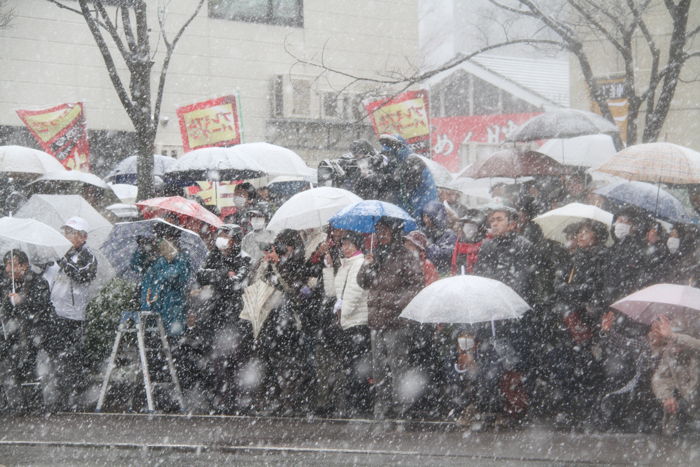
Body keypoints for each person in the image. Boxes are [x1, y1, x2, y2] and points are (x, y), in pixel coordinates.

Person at [357, 217, 424, 419]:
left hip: (396, 322)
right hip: (376, 320)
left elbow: (415, 285)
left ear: (394, 233)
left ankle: (400, 406)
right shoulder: (375, 255)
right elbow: (363, 282)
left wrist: (396, 304)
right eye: (378, 232)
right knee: (378, 366)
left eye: (384, 231)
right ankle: (381, 404)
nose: (381, 235)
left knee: (397, 365)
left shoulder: (405, 256)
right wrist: (366, 266)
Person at [191, 224, 252, 412]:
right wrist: (223, 274)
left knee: (235, 360)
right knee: (214, 360)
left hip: (235, 316)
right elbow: (201, 275)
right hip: (214, 314)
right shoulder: (213, 256)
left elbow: (236, 283)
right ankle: (217, 399)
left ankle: (236, 400)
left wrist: (220, 277)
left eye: (227, 236)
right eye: (221, 235)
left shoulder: (244, 259)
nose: (222, 239)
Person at [44, 216, 97, 410]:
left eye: (71, 233)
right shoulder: (58, 255)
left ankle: (73, 396)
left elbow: (82, 275)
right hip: (54, 312)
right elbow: (48, 278)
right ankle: (57, 395)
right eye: (65, 232)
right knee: (55, 356)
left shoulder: (87, 256)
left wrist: (63, 259)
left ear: (82, 237)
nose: (67, 236)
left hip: (73, 315)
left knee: (71, 357)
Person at [322, 231, 372, 415]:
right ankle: (353, 404)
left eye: (349, 244)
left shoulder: (360, 263)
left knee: (357, 366)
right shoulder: (345, 265)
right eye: (343, 245)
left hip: (357, 321)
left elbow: (355, 292)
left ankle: (359, 405)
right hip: (346, 322)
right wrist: (328, 268)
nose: (345, 248)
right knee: (351, 366)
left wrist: (343, 313)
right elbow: (332, 291)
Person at [0, 250, 55, 412]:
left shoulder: (38, 281)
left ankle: (35, 403)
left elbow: (40, 304)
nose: (9, 269)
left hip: (36, 331)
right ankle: (8, 401)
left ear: (25, 266)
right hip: (11, 331)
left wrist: (21, 300)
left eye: (13, 265)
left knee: (29, 362)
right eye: (7, 265)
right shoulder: (5, 283)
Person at [131, 222, 192, 337]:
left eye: (166, 238)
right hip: (150, 305)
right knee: (148, 340)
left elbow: (173, 277)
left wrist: (166, 259)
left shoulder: (181, 257)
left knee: (171, 341)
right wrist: (141, 248)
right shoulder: (152, 255)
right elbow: (135, 266)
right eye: (159, 238)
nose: (161, 242)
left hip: (171, 307)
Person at [649, 315, 700, 435]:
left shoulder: (695, 350)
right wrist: (666, 397)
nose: (673, 344)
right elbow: (660, 378)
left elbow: (696, 345)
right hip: (690, 408)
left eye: (674, 338)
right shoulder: (670, 354)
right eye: (669, 340)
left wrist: (674, 336)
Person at [603, 207, 648, 303]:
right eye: (617, 221)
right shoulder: (614, 246)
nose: (617, 225)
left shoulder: (637, 249)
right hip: (608, 299)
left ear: (632, 225)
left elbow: (632, 278)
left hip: (623, 300)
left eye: (621, 221)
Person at [421, 201, 457, 275]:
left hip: (442, 274)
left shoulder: (449, 234)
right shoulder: (424, 232)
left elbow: (445, 255)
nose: (426, 220)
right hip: (427, 273)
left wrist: (428, 246)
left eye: (428, 216)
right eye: (424, 216)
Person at [451, 209, 487, 275]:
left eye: (472, 226)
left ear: (480, 229)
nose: (469, 230)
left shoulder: (485, 245)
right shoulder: (459, 243)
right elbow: (454, 266)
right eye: (466, 226)